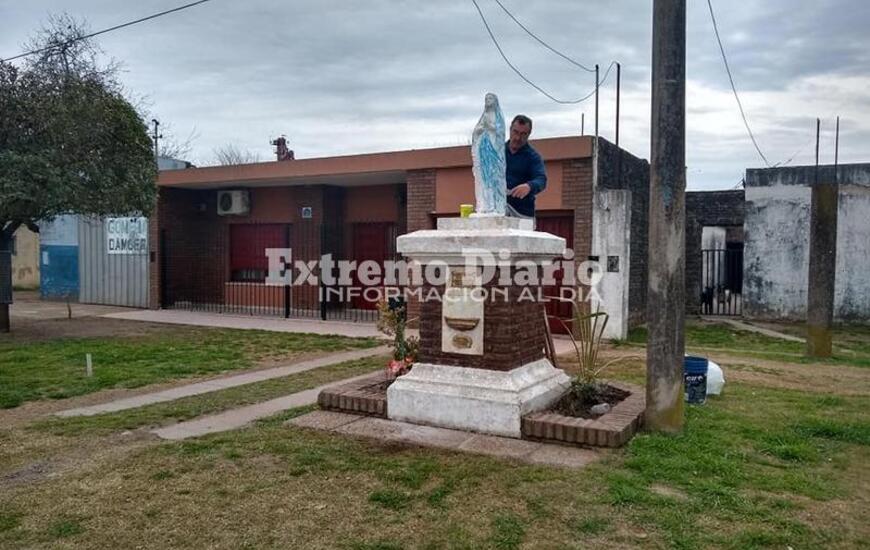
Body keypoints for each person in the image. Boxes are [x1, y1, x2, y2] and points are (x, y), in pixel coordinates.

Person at [505, 114, 547, 220]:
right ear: (510, 130)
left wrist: (529, 186)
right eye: (515, 132)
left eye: (523, 134)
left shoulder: (533, 157)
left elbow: (541, 179)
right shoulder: (498, 152)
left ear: (529, 134)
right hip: (499, 207)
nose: (518, 138)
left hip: (522, 213)